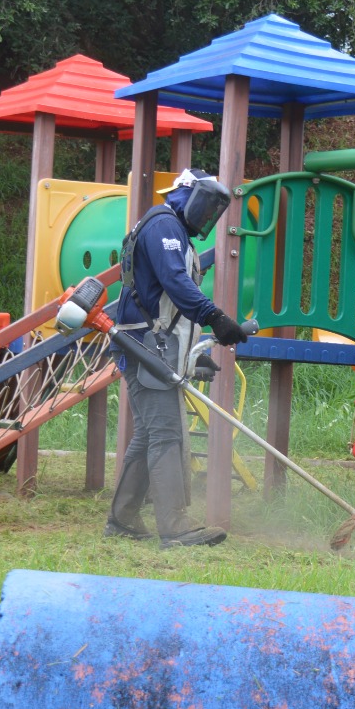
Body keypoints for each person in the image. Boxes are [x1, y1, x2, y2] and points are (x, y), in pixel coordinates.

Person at [104, 168, 245, 547]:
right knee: (166, 432)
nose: (209, 216)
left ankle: (123, 518)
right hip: (144, 345)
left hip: (150, 345)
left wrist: (192, 358)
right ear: (189, 194)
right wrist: (215, 317)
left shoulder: (173, 230)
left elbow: (167, 307)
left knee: (150, 432)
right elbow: (175, 283)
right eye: (208, 206)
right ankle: (175, 525)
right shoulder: (164, 225)